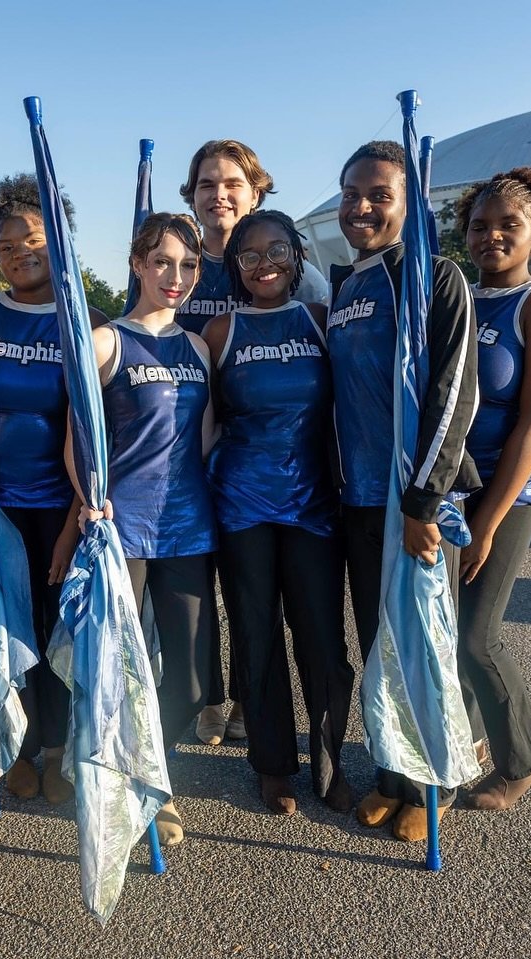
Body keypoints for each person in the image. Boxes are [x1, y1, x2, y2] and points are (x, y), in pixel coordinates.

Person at [0, 174, 108, 805]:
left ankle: (62, 748)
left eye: (33, 239)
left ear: (59, 242)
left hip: (63, 507)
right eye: (6, 245)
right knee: (5, 631)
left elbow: (93, 432)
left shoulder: (87, 324)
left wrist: (72, 525)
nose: (20, 252)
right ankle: (19, 747)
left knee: (62, 632)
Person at [326, 141, 480, 841]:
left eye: (379, 194)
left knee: (423, 644)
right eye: (352, 194)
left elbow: (452, 396)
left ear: (409, 204)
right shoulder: (347, 287)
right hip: (356, 499)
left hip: (414, 504)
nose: (362, 207)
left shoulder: (434, 278)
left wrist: (423, 502)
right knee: (380, 643)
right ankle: (393, 771)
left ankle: (434, 781)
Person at [175, 139, 331, 744]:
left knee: (254, 593)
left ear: (256, 191)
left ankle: (248, 699)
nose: (220, 194)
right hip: (188, 448)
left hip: (271, 461)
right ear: (192, 196)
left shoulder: (304, 279)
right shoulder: (180, 262)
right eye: (207, 184)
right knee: (197, 583)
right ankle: (208, 695)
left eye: (232, 183)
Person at [202, 210, 353, 815]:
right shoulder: (220, 331)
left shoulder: (321, 321)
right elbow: (201, 423)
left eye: (277, 252)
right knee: (255, 634)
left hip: (314, 504)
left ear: (298, 256)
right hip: (242, 504)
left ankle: (331, 759)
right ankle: (271, 764)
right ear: (235, 266)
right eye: (250, 255)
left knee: (321, 638)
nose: (265, 265)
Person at [79, 212, 216, 846]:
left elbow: (206, 434)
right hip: (123, 529)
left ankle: (152, 759)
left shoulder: (198, 348)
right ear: (137, 263)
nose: (176, 276)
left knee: (188, 674)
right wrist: (91, 501)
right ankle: (140, 787)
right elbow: (74, 443)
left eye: (188, 265)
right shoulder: (106, 342)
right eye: (162, 262)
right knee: (121, 669)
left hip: (188, 526)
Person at [453, 167, 531, 812]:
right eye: (480, 225)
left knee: (478, 637)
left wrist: (489, 522)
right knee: (442, 633)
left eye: (508, 225)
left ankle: (520, 760)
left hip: (506, 492)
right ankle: (466, 740)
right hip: (447, 488)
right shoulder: (458, 301)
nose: (492, 236)